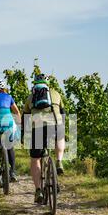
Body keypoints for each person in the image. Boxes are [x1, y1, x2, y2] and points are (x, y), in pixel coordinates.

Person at [22, 73, 66, 204]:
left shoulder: (30, 97)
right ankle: (59, 161)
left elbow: (25, 118)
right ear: (47, 84)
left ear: (34, 84)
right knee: (60, 138)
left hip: (38, 128)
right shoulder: (56, 94)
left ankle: (38, 190)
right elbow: (63, 113)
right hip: (55, 124)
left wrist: (24, 133)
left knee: (35, 159)